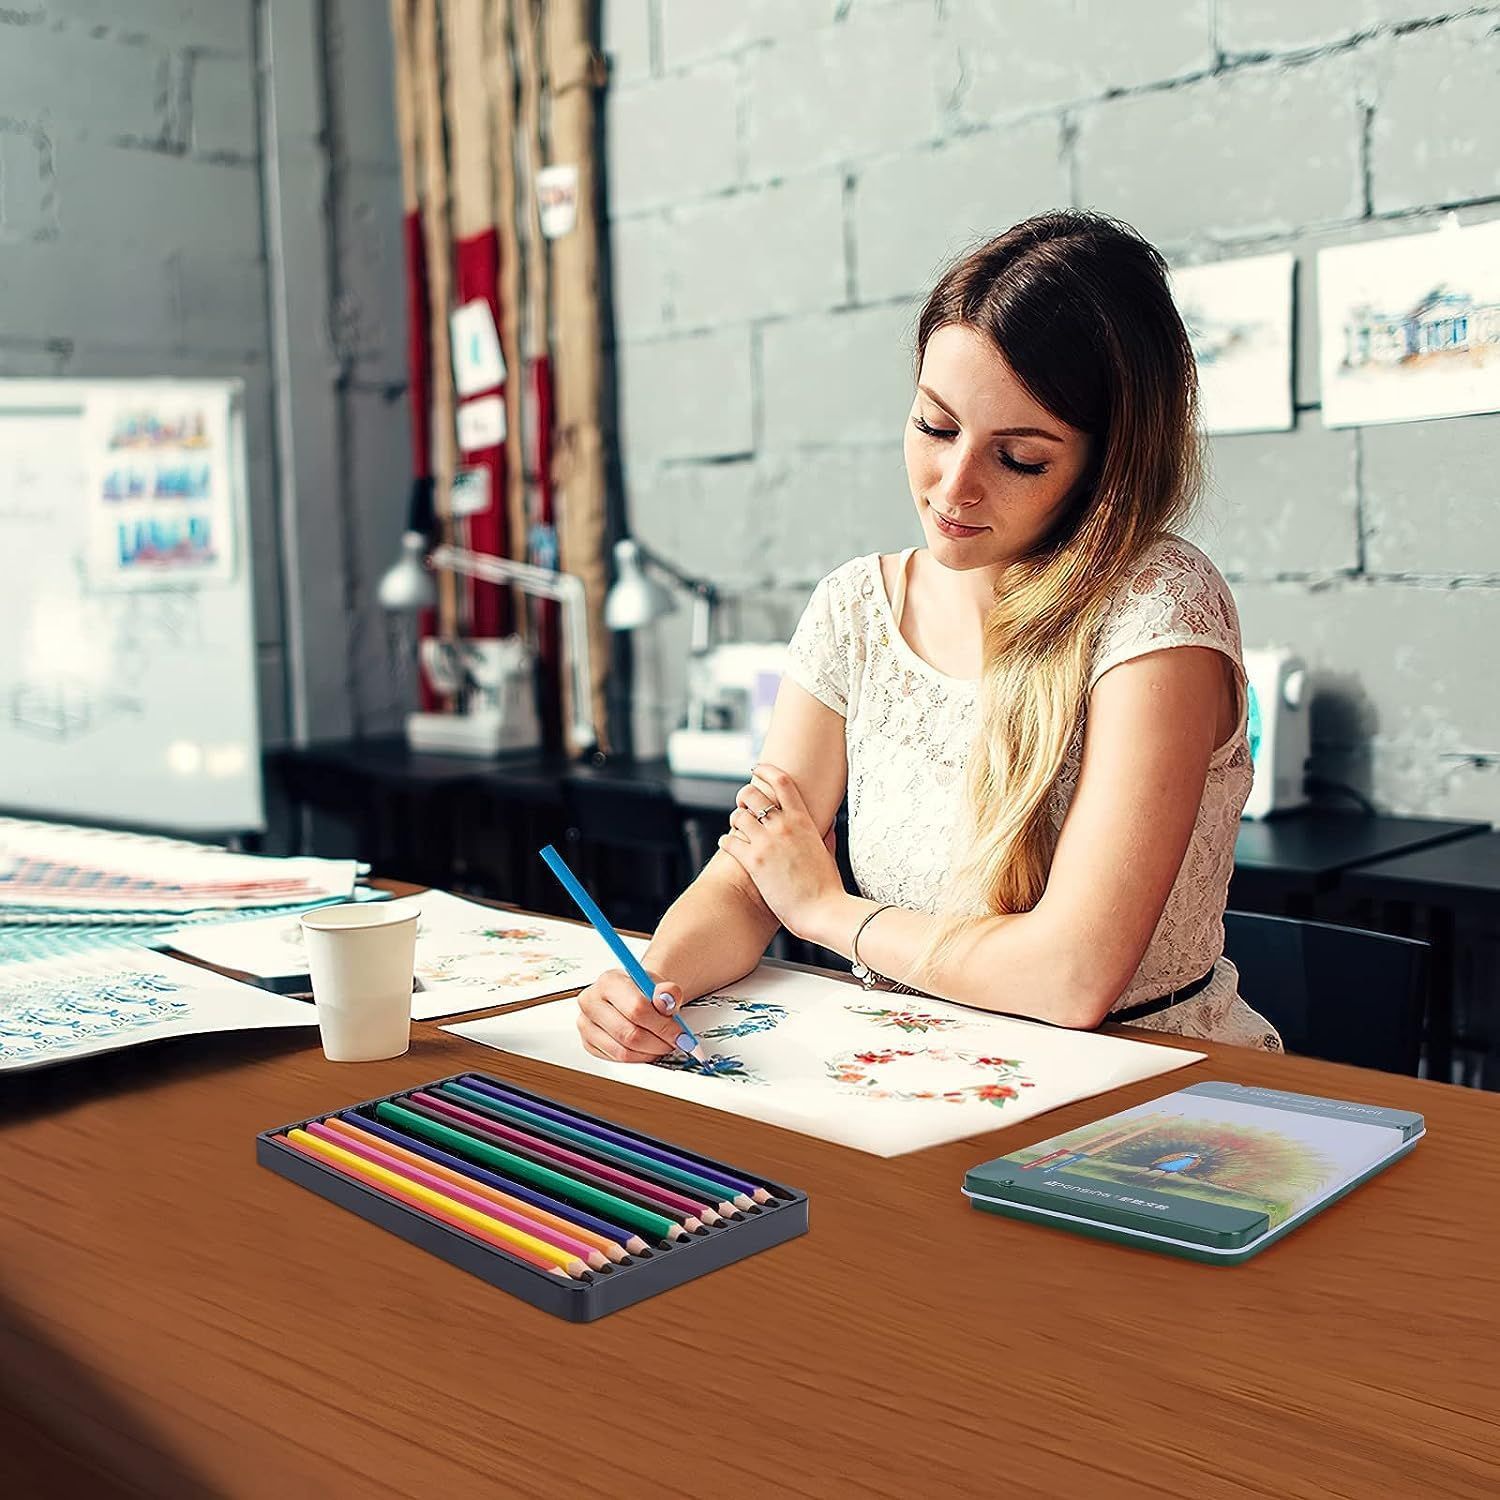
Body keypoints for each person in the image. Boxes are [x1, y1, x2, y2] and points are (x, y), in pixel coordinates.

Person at [576, 209, 1282, 1064]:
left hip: (1139, 1096)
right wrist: (654, 984)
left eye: (1019, 458)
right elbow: (753, 874)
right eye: (935, 427)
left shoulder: (1156, 608)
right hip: (911, 1071)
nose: (955, 485)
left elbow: (1071, 978)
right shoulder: (853, 609)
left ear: (1107, 470)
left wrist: (826, 913)